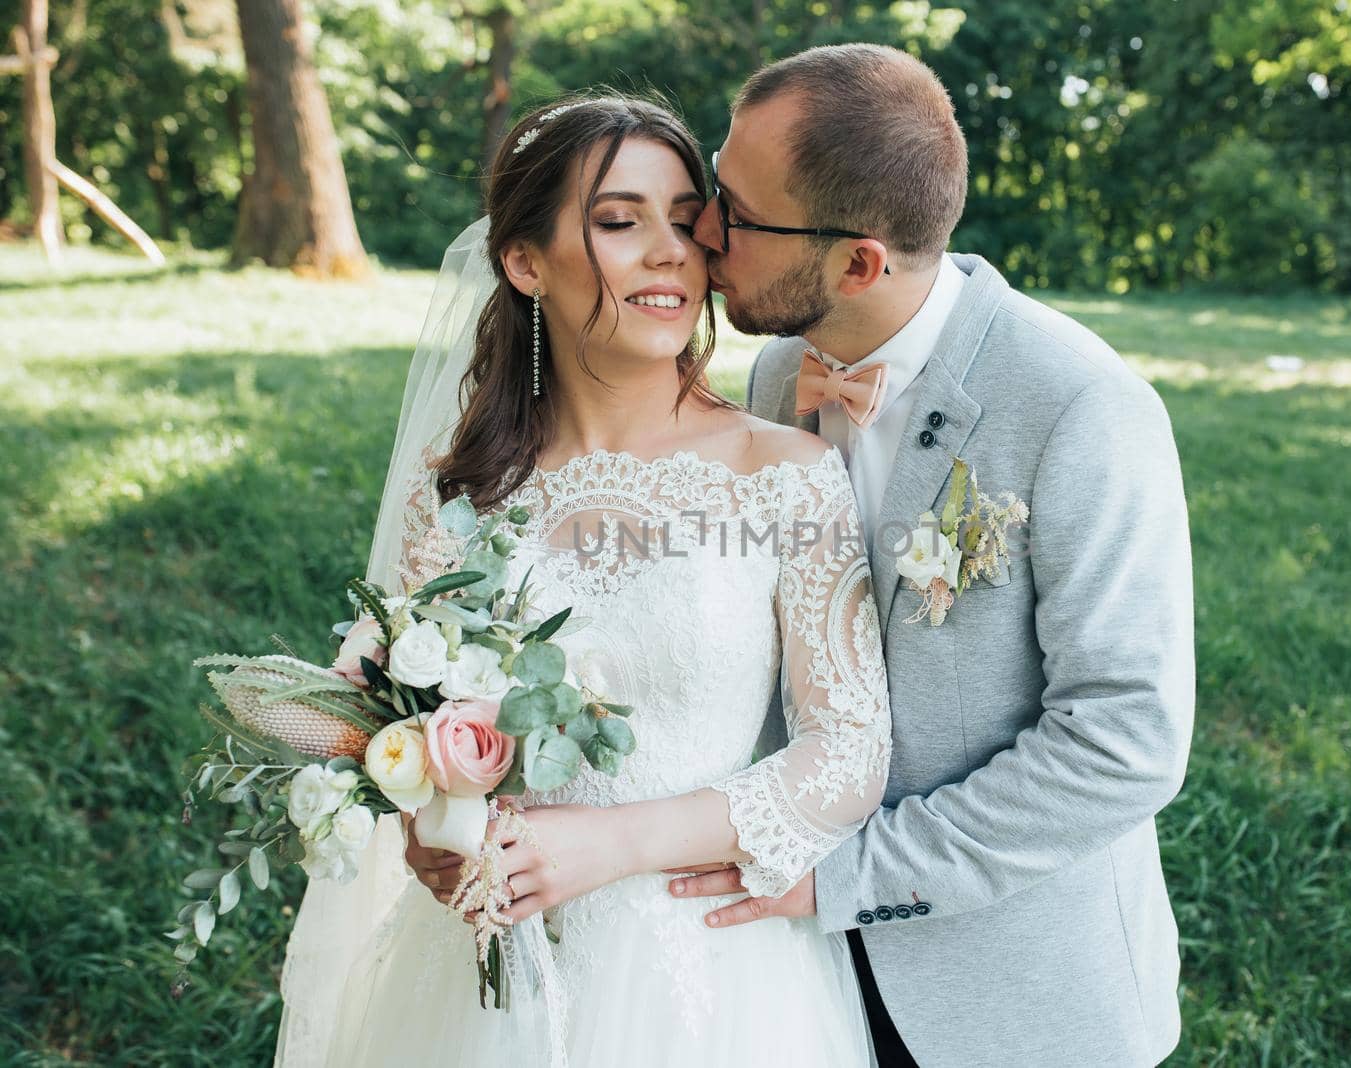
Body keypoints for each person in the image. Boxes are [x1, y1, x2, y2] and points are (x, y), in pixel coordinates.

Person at [274, 95, 892, 1067]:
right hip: (485, 970)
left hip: (708, 969)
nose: (670, 252)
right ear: (524, 261)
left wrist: (619, 845)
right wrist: (431, 835)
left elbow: (851, 751)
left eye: (689, 221)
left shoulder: (783, 473)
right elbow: (392, 724)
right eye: (618, 222)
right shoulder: (459, 490)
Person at [667, 45, 1195, 1067]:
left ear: (859, 262)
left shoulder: (1082, 407)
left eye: (735, 211)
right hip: (792, 980)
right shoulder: (780, 371)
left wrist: (847, 876)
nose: (700, 229)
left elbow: (1124, 738)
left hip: (1011, 995)